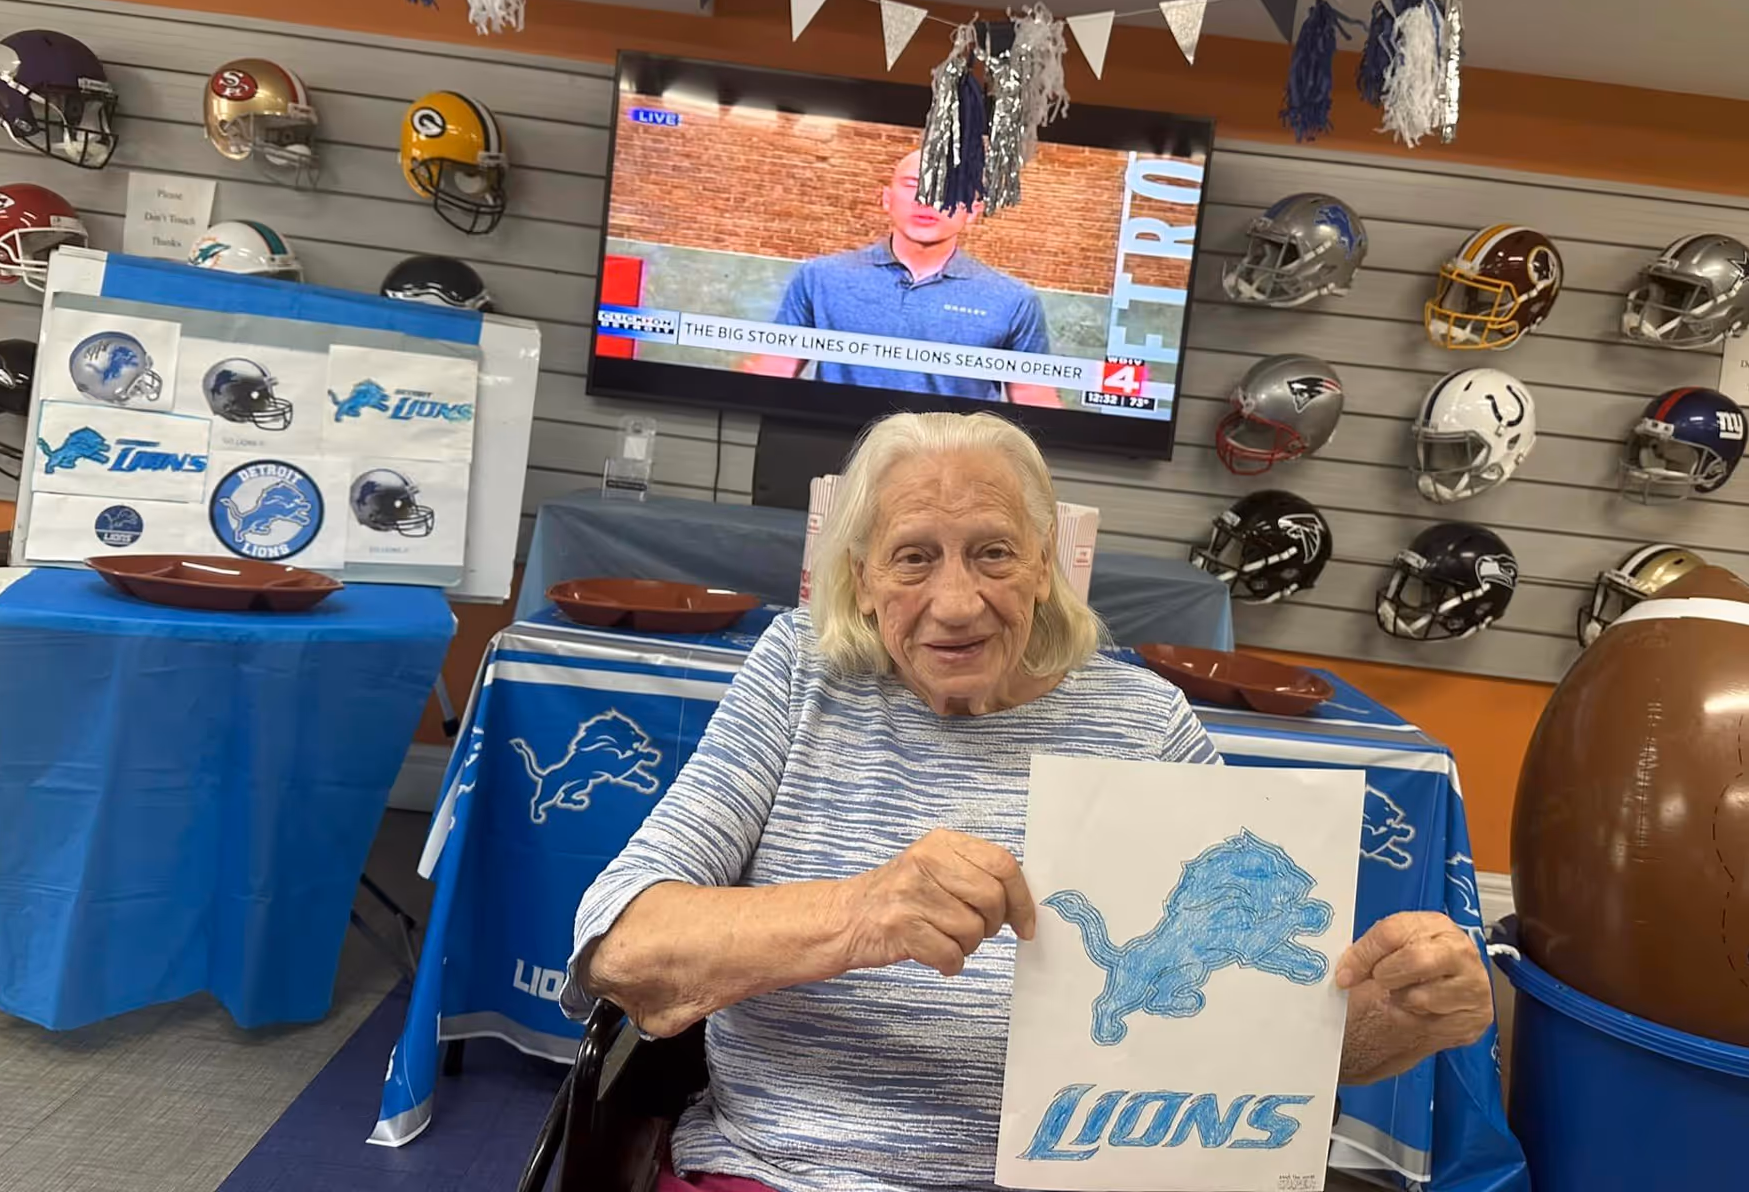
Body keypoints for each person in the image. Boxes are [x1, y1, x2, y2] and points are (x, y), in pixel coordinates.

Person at [563, 411, 1495, 1192]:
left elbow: (1254, 1051)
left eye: (994, 554)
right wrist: (858, 914)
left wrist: (1396, 1020)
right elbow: (621, 949)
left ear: (1045, 563)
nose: (957, 601)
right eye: (914, 558)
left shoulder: (1143, 723)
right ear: (859, 575)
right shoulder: (801, 678)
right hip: (791, 1171)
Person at [740, 150, 1063, 407]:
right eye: (913, 185)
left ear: (973, 210)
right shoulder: (821, 278)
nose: (929, 200)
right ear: (886, 199)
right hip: (839, 457)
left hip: (952, 470)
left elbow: (1033, 398)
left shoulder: (1013, 301)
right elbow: (775, 370)